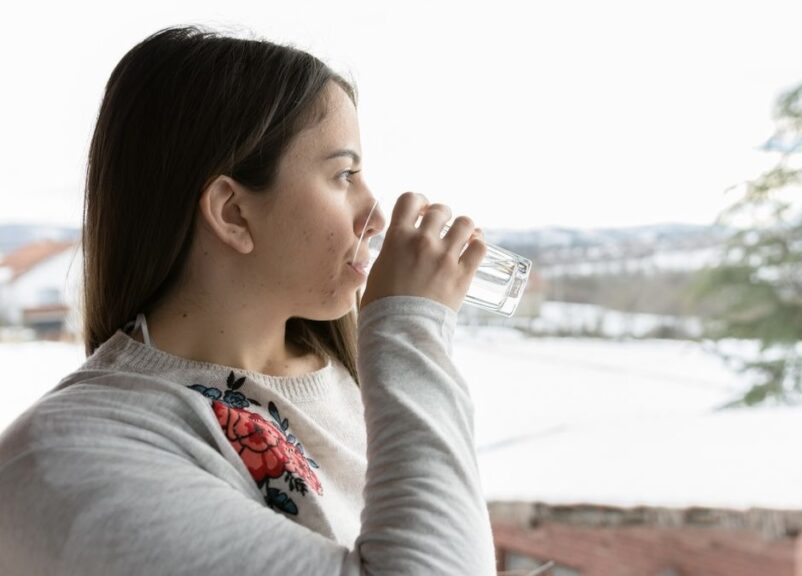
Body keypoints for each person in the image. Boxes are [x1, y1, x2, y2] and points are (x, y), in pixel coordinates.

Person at [0, 25, 501, 575]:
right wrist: (410, 326)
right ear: (233, 213)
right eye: (344, 175)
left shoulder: (344, 379)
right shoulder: (73, 457)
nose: (376, 217)